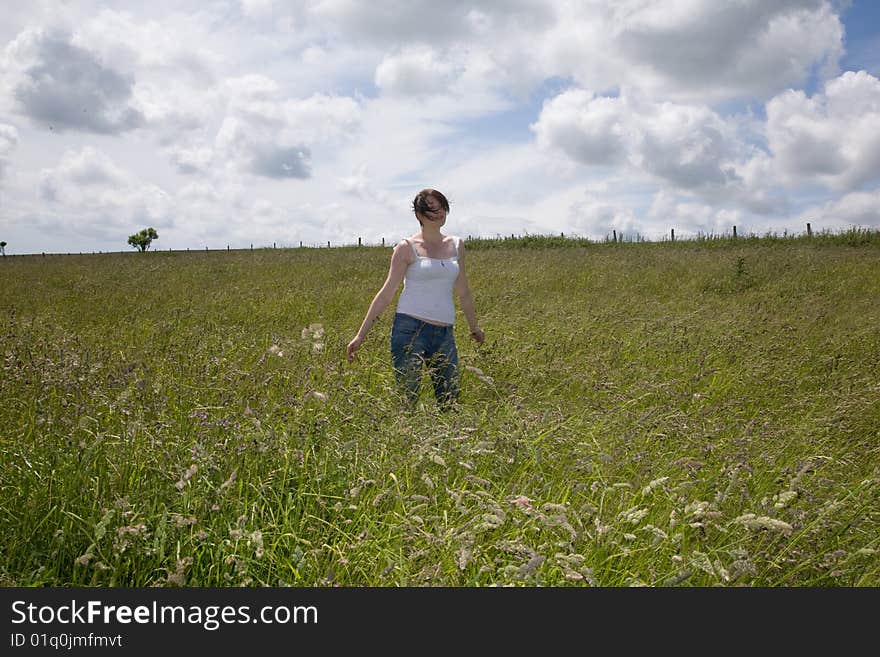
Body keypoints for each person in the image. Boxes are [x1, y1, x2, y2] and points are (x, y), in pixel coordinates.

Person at [346, 188, 485, 407]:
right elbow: (386, 293)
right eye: (430, 208)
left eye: (440, 206)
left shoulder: (456, 245)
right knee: (407, 400)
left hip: (444, 332)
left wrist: (474, 327)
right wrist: (360, 336)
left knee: (450, 400)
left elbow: (463, 291)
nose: (438, 212)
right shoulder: (406, 248)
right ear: (419, 215)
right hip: (410, 329)